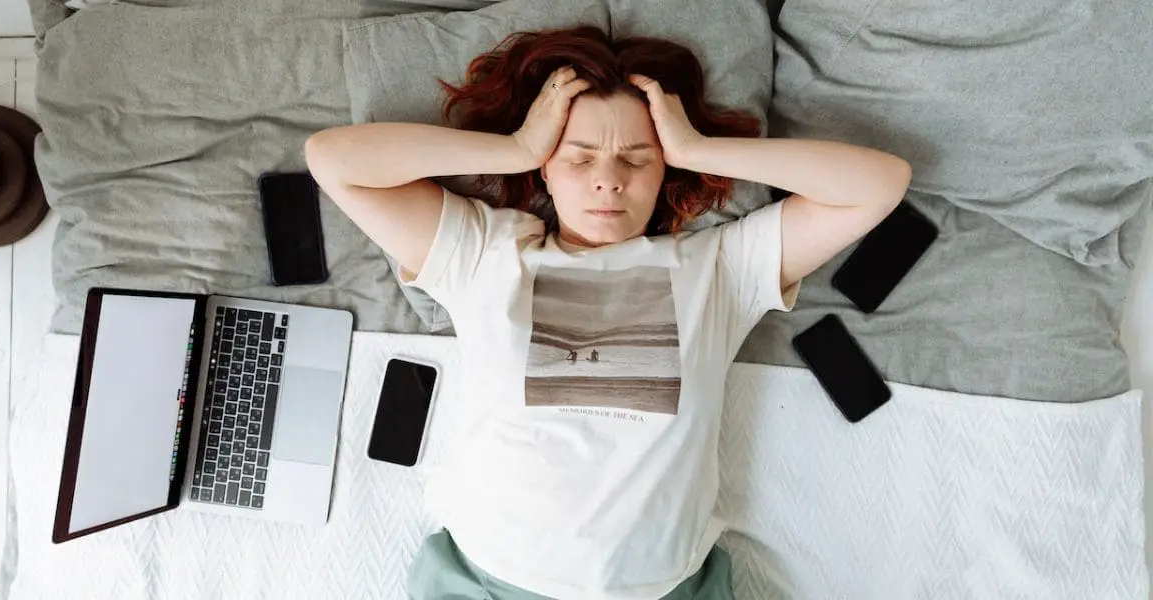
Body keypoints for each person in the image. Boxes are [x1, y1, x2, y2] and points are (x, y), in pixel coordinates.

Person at [306, 25, 910, 600]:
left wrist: (699, 148)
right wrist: (513, 147)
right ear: (545, 164)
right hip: (492, 581)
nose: (608, 181)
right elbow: (333, 159)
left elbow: (880, 182)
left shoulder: (722, 267)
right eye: (579, 156)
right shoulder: (486, 253)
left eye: (637, 159)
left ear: (664, 169)